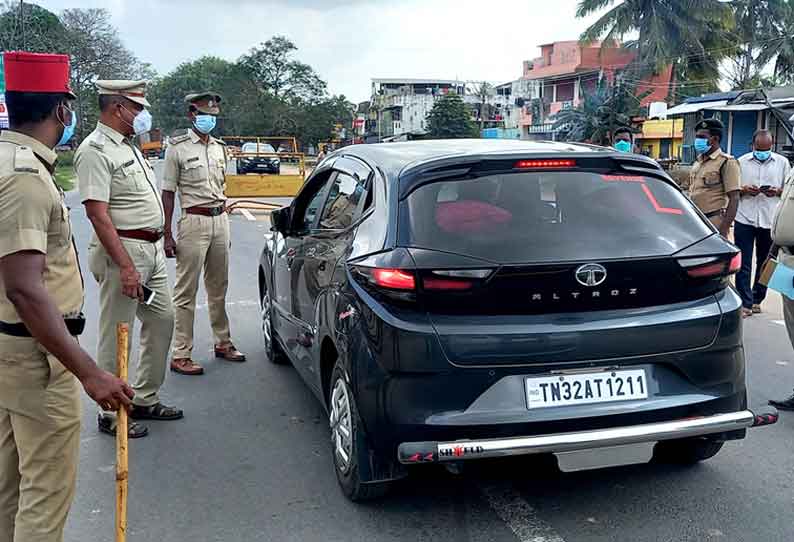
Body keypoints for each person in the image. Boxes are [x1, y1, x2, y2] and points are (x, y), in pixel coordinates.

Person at [0, 51, 133, 542]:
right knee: (44, 494)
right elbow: (24, 288)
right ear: (61, 110)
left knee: (10, 487)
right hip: (35, 358)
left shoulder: (12, 163)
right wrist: (89, 372)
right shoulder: (24, 177)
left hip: (13, 351)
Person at [75, 80, 182, 438]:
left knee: (163, 319)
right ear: (117, 107)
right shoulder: (95, 150)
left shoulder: (129, 147)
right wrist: (124, 265)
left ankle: (144, 398)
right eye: (137, 107)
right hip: (124, 252)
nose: (142, 115)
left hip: (149, 250)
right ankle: (110, 412)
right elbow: (97, 214)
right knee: (116, 332)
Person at [162, 92, 245, 376]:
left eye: (213, 114)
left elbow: (221, 186)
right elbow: (168, 193)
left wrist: (223, 207)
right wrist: (167, 234)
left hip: (219, 219)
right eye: (204, 114)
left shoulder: (219, 148)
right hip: (193, 222)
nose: (209, 118)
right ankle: (181, 353)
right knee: (186, 291)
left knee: (218, 287)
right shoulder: (177, 148)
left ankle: (223, 342)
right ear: (192, 115)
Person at [735, 130, 790, 318]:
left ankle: (758, 298)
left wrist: (777, 191)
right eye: (759, 149)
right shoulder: (741, 162)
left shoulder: (782, 163)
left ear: (772, 146)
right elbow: (734, 190)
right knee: (743, 262)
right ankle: (745, 301)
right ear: (753, 146)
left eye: (766, 149)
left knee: (766, 262)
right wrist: (744, 190)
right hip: (745, 218)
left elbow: (788, 191)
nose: (762, 153)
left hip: (769, 219)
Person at [689, 118, 741, 237]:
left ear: (715, 139)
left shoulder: (727, 162)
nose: (697, 140)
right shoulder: (698, 162)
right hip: (695, 220)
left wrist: (723, 229)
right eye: (697, 137)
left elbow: (734, 198)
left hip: (713, 221)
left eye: (702, 137)